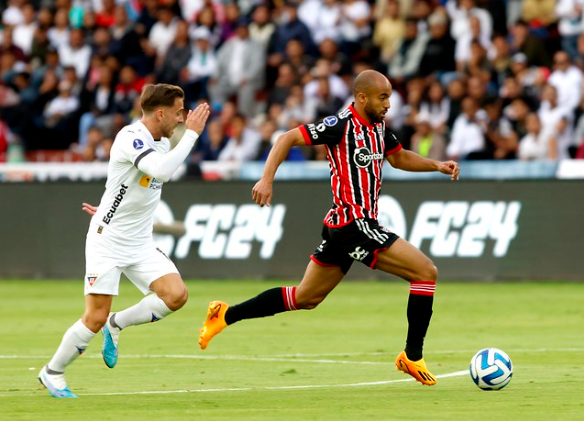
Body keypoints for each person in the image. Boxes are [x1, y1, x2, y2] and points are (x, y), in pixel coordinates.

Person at [198, 70, 460, 386]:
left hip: (349, 226)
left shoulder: (378, 127)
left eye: (389, 96)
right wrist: (267, 179)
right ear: (362, 97)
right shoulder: (340, 126)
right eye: (383, 97)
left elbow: (399, 156)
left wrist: (436, 165)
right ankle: (412, 355)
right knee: (425, 272)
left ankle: (225, 314)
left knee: (306, 297)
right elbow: (287, 138)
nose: (388, 103)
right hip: (353, 224)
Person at [38, 84, 210, 398]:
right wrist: (193, 135)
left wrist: (107, 206)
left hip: (140, 243)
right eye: (178, 111)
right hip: (108, 241)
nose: (183, 117)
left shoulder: (161, 141)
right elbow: (162, 171)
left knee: (176, 295)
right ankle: (53, 372)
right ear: (160, 112)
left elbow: (129, 185)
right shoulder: (132, 137)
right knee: (93, 317)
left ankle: (116, 324)